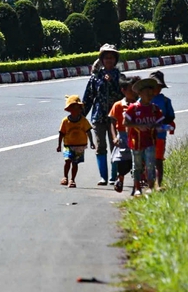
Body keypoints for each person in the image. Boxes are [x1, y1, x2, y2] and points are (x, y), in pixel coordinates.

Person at [82, 44, 124, 186]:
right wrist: (81, 116)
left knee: (115, 146)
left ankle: (114, 176)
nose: (109, 60)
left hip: (115, 118)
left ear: (115, 59)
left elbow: (124, 95)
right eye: (106, 58)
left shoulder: (120, 77)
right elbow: (88, 98)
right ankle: (103, 177)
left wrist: (111, 82)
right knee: (100, 147)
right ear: (102, 60)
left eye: (111, 58)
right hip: (98, 117)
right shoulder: (95, 78)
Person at [124, 77, 164, 195]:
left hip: (150, 141)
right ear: (140, 93)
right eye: (147, 93)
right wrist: (138, 125)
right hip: (136, 142)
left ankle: (151, 187)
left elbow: (160, 121)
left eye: (151, 93)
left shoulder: (154, 108)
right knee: (137, 166)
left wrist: (156, 125)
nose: (150, 96)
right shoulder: (133, 108)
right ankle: (137, 188)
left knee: (150, 164)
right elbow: (126, 123)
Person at [57, 94, 95, 188]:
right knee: (67, 161)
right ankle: (65, 177)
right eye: (73, 108)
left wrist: (92, 142)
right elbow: (61, 133)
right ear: (69, 109)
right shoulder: (65, 121)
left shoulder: (83, 121)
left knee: (75, 163)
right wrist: (59, 145)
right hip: (68, 145)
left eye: (77, 108)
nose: (75, 110)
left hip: (80, 145)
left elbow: (88, 131)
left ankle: (72, 179)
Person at [109, 76, 137, 193]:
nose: (133, 93)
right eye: (130, 90)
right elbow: (112, 121)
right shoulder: (118, 105)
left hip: (137, 135)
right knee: (122, 160)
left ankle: (137, 184)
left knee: (136, 160)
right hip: (123, 137)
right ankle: (120, 178)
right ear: (123, 90)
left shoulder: (139, 104)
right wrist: (114, 137)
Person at [149, 70, 176, 189]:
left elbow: (171, 116)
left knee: (158, 160)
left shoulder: (165, 101)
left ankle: (158, 184)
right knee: (146, 161)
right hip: (145, 136)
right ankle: (148, 183)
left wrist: (161, 121)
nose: (156, 89)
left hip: (160, 136)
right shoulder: (143, 100)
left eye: (158, 86)